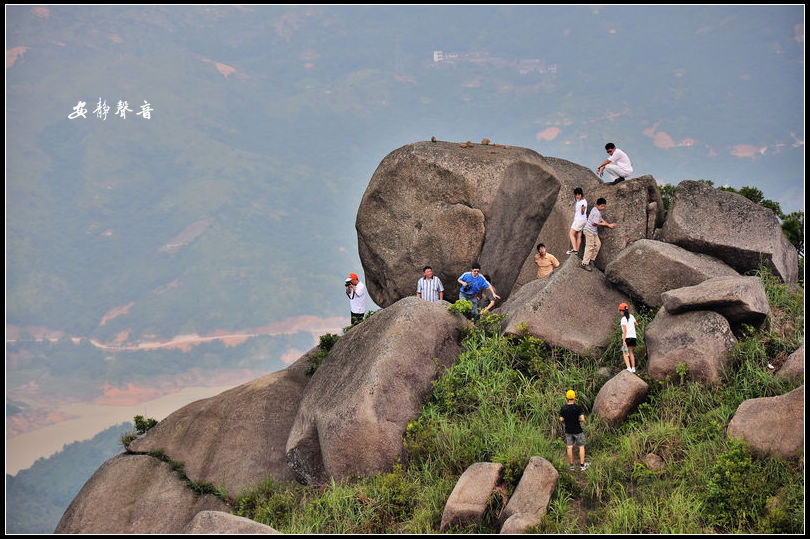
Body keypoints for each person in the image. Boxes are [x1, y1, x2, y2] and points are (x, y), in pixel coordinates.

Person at [580, 197, 616, 271]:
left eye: (604, 206)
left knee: (598, 244)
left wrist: (608, 224)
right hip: (589, 231)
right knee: (590, 246)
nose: (603, 208)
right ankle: (584, 263)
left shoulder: (595, 209)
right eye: (602, 206)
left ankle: (591, 259)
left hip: (593, 232)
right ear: (597, 205)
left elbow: (600, 219)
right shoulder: (596, 212)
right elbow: (594, 223)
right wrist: (604, 224)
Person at [559, 390, 589, 471]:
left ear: (567, 397)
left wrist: (567, 420)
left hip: (568, 430)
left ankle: (571, 466)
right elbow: (582, 419)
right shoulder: (578, 407)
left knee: (569, 447)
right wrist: (578, 420)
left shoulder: (563, 408)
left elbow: (561, 419)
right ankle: (582, 466)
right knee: (581, 447)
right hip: (578, 430)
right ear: (574, 397)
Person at [567, 187, 588, 255]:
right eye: (576, 195)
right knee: (579, 235)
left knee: (571, 234)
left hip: (579, 220)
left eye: (578, 194)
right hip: (583, 220)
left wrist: (582, 209)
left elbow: (582, 212)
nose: (577, 196)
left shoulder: (583, 203)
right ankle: (577, 251)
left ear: (581, 194)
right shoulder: (580, 200)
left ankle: (575, 250)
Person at [619, 302, 639, 373]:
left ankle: (629, 368)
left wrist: (623, 341)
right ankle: (633, 368)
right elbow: (636, 324)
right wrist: (632, 326)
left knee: (624, 352)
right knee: (631, 352)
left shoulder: (623, 319)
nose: (620, 312)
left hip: (627, 338)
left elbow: (625, 330)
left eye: (620, 311)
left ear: (622, 311)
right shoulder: (632, 316)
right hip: (633, 337)